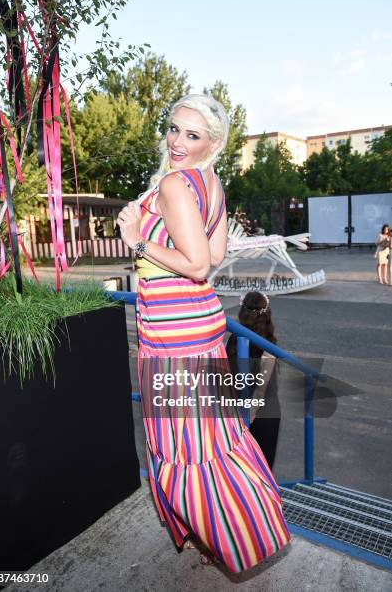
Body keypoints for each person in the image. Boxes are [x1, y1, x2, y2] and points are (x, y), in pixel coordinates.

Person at [117, 94, 290, 572]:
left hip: (173, 327)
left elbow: (195, 264)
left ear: (212, 141)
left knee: (182, 442)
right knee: (208, 437)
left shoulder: (175, 184)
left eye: (191, 135)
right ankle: (226, 531)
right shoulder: (211, 182)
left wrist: (137, 240)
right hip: (201, 323)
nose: (176, 141)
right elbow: (212, 258)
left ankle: (231, 535)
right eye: (173, 129)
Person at [226, 291, 281, 470]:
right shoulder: (269, 344)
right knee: (262, 469)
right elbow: (261, 388)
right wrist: (247, 418)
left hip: (238, 411)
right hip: (265, 412)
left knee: (239, 470)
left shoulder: (235, 338)